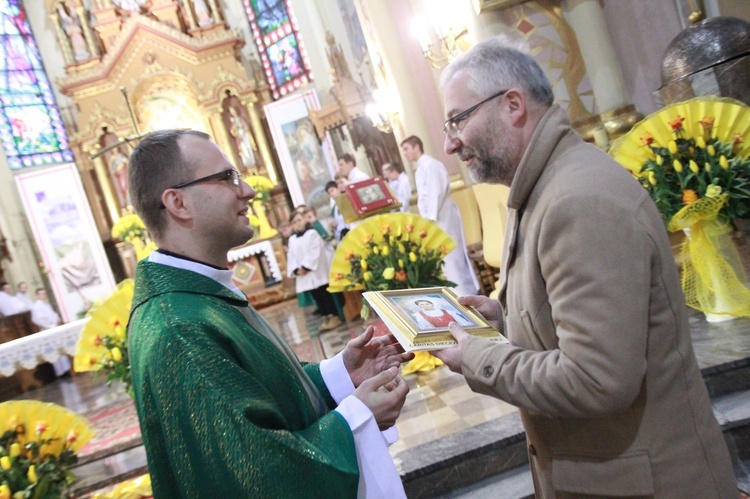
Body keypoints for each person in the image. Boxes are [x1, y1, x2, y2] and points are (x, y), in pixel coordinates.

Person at [433, 37, 736, 497]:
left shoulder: (577, 199)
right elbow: (566, 319)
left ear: (512, 104)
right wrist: (506, 321)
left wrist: (479, 357)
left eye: (458, 119)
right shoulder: (540, 188)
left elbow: (597, 378)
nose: (451, 141)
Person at [127, 129, 412, 497]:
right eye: (227, 178)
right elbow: (260, 476)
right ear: (178, 203)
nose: (247, 190)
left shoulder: (198, 296)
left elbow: (261, 393)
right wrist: (359, 418)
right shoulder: (179, 329)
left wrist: (340, 374)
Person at [401, 135, 479, 296]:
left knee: (454, 257)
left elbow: (437, 192)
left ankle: (467, 293)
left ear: (417, 147)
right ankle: (457, 295)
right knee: (446, 260)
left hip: (443, 216)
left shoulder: (431, 164)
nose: (405, 153)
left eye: (406, 149)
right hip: (435, 219)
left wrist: (430, 218)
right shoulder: (420, 169)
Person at [287, 211, 341, 332]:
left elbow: (315, 251)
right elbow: (291, 255)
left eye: (299, 220)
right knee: (316, 297)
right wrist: (296, 269)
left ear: (305, 220)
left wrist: (305, 267)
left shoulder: (312, 233)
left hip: (316, 271)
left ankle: (334, 316)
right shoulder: (292, 239)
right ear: (291, 225)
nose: (298, 224)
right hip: (304, 274)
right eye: (294, 222)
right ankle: (325, 317)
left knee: (324, 294)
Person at [30, 288, 72, 377]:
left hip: (54, 329)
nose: (43, 295)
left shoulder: (46, 305)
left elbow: (53, 315)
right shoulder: (36, 306)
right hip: (47, 331)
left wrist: (57, 320)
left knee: (60, 349)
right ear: (37, 295)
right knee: (54, 352)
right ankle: (60, 372)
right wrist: (51, 324)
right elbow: (37, 319)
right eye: (41, 294)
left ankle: (66, 369)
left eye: (44, 294)